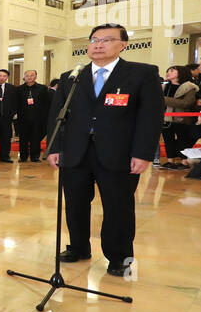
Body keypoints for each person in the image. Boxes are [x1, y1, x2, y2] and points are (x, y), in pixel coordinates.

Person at [47, 23, 164, 276]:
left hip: (118, 153)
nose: (98, 45)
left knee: (118, 206)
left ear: (123, 45)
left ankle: (119, 256)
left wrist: (143, 153)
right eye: (94, 40)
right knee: (75, 203)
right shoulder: (72, 76)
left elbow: (151, 117)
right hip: (75, 151)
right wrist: (54, 147)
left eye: (107, 40)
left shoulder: (141, 74)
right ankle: (78, 246)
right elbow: (57, 115)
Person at [158, 65, 199, 170]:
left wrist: (163, 99)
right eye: (168, 71)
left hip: (182, 118)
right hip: (166, 118)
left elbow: (186, 103)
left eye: (172, 71)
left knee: (183, 140)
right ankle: (170, 160)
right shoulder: (164, 86)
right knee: (167, 139)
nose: (168, 73)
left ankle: (184, 161)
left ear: (181, 73)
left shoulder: (190, 87)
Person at [15, 69, 50, 162]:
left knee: (36, 138)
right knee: (23, 139)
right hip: (23, 118)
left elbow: (46, 104)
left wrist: (45, 117)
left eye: (32, 75)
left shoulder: (42, 88)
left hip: (37, 118)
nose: (29, 77)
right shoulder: (19, 89)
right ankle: (23, 157)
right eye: (27, 75)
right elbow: (16, 104)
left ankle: (35, 157)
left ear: (36, 76)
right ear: (24, 77)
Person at [0, 69, 18, 162]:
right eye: (0, 75)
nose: (2, 77)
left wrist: (11, 114)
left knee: (6, 138)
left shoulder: (12, 88)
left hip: (6, 118)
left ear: (7, 77)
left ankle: (5, 157)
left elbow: (15, 102)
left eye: (4, 76)